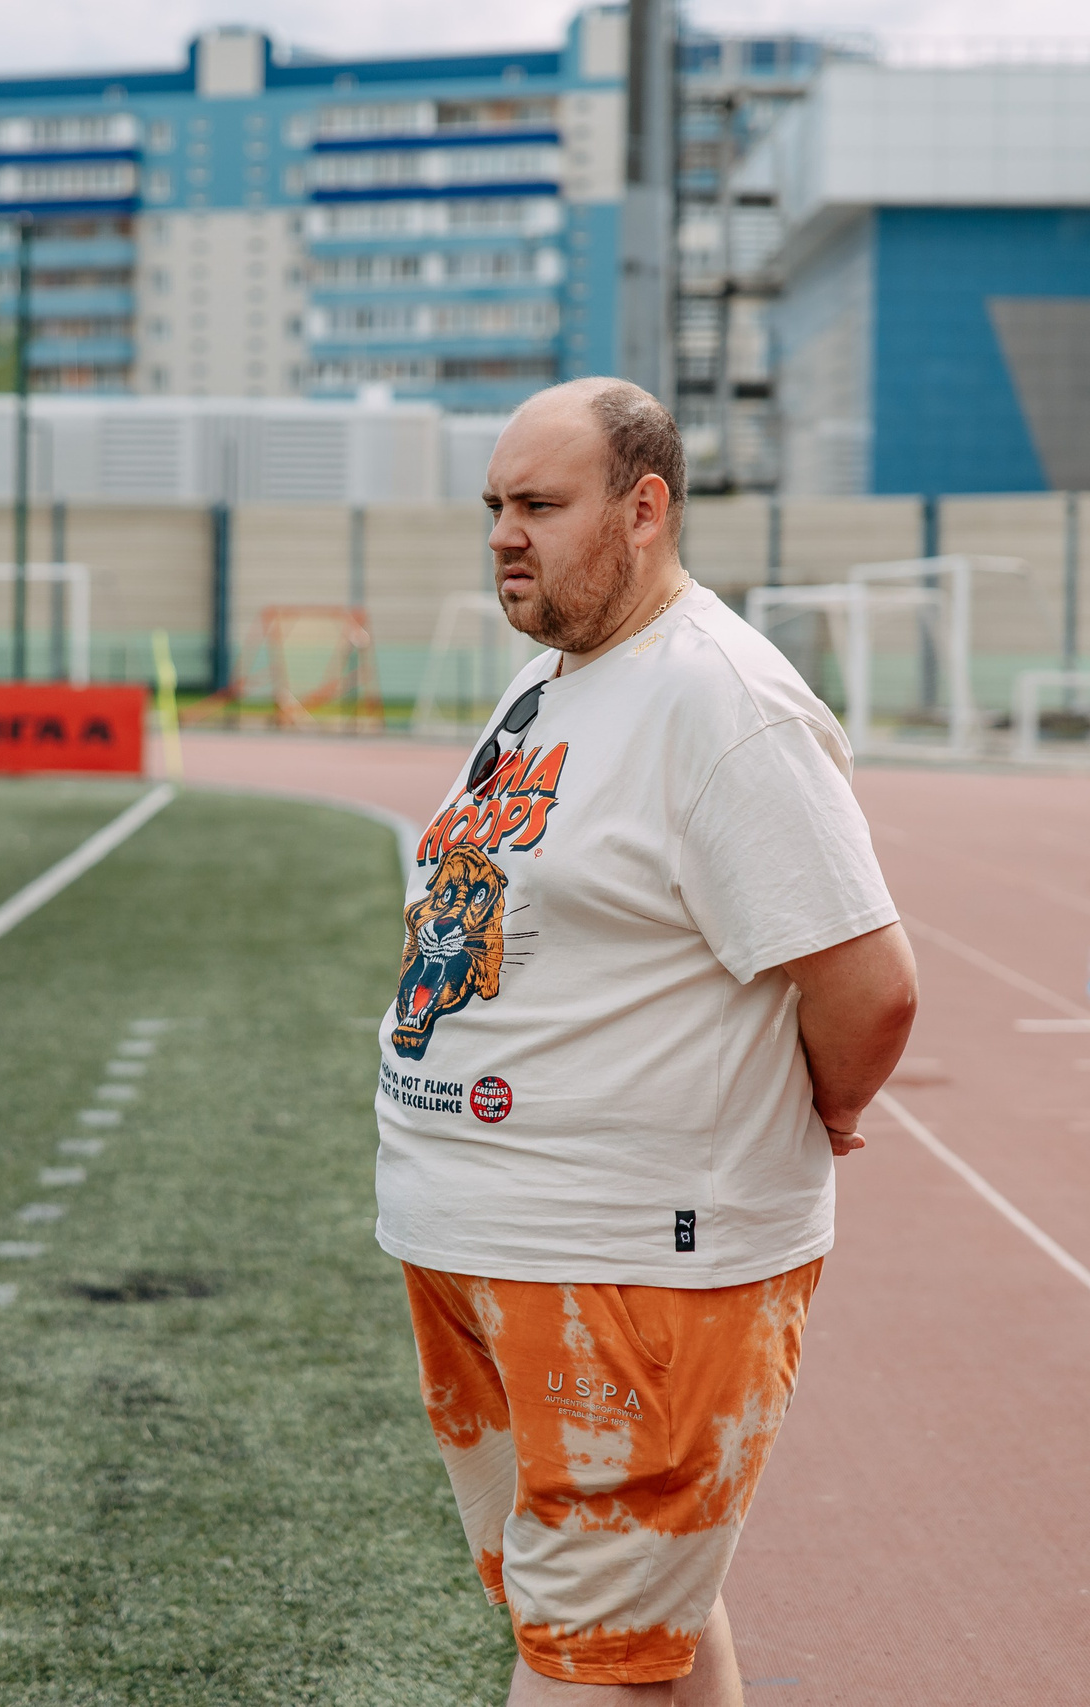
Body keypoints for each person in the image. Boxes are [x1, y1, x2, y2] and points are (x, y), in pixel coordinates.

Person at [378, 380, 917, 1704]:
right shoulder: (552, 673)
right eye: (496, 506)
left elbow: (870, 982)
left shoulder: (724, 702)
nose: (507, 533)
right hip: (493, 1237)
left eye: (541, 506)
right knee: (636, 1628)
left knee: (586, 1661)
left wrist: (827, 1107)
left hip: (629, 1264)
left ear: (645, 506)